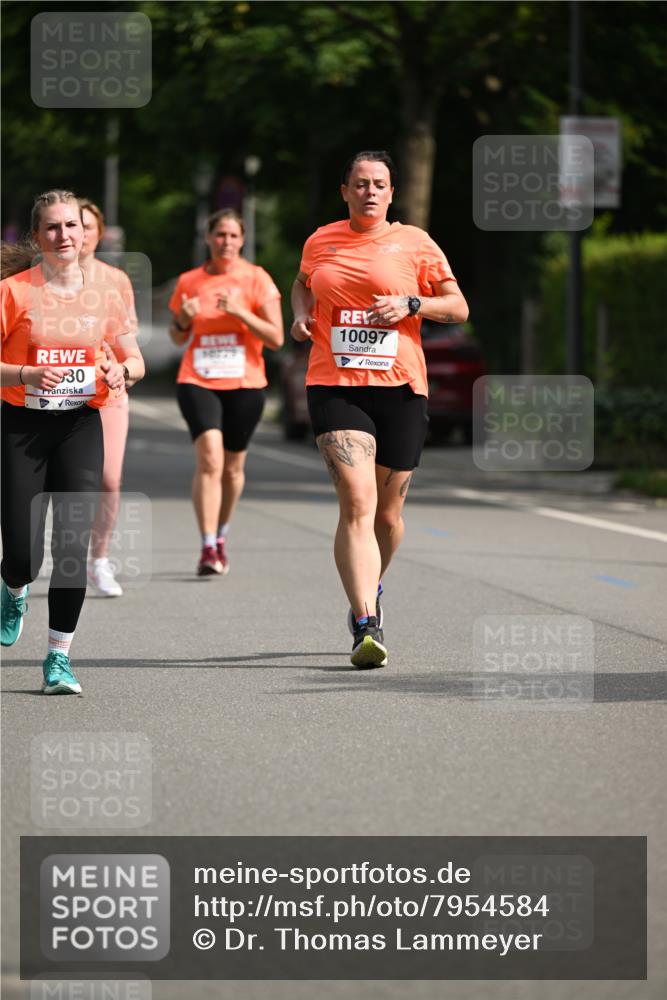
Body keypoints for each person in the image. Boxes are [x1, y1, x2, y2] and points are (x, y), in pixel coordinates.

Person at [290, 151, 469, 669]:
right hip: (335, 384)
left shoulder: (416, 243)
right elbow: (302, 284)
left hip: (401, 387)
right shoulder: (321, 240)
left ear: (391, 194)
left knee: (388, 517)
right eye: (361, 183)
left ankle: (371, 586)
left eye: (380, 184)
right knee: (357, 499)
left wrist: (412, 305)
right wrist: (302, 317)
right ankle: (365, 620)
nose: (370, 191)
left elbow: (457, 307)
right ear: (344, 190)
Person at [0, 190, 145, 694]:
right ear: (38, 238)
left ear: (86, 234)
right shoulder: (14, 292)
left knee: (69, 549)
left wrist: (119, 369)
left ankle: (58, 658)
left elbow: (134, 358)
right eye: (53, 228)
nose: (64, 235)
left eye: (72, 226)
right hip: (22, 426)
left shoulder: (105, 293)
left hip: (81, 425)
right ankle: (13, 587)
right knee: (23, 555)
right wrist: (25, 373)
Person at [168, 209, 283, 576]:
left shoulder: (257, 279)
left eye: (234, 236)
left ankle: (221, 536)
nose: (226, 242)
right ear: (208, 238)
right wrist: (183, 320)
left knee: (233, 470)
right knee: (211, 460)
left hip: (246, 384)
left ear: (243, 240)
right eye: (220, 235)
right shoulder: (189, 281)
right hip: (198, 379)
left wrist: (240, 312)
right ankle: (205, 547)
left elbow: (276, 338)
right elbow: (177, 336)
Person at [79, 198, 138, 597]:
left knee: (109, 478)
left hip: (108, 392)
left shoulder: (115, 279)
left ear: (100, 234)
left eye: (87, 227)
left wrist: (123, 369)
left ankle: (98, 559)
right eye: (71, 225)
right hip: (58, 391)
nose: (79, 234)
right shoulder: (39, 278)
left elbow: (128, 344)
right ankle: (28, 558)